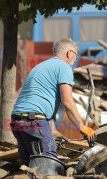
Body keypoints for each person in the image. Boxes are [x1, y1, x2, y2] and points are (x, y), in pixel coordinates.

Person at [10, 38, 96, 166]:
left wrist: (52, 131)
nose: (76, 58)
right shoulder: (64, 67)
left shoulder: (41, 67)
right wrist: (82, 127)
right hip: (34, 121)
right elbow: (67, 102)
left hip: (17, 121)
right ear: (69, 53)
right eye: (76, 54)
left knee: (29, 167)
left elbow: (41, 103)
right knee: (48, 165)